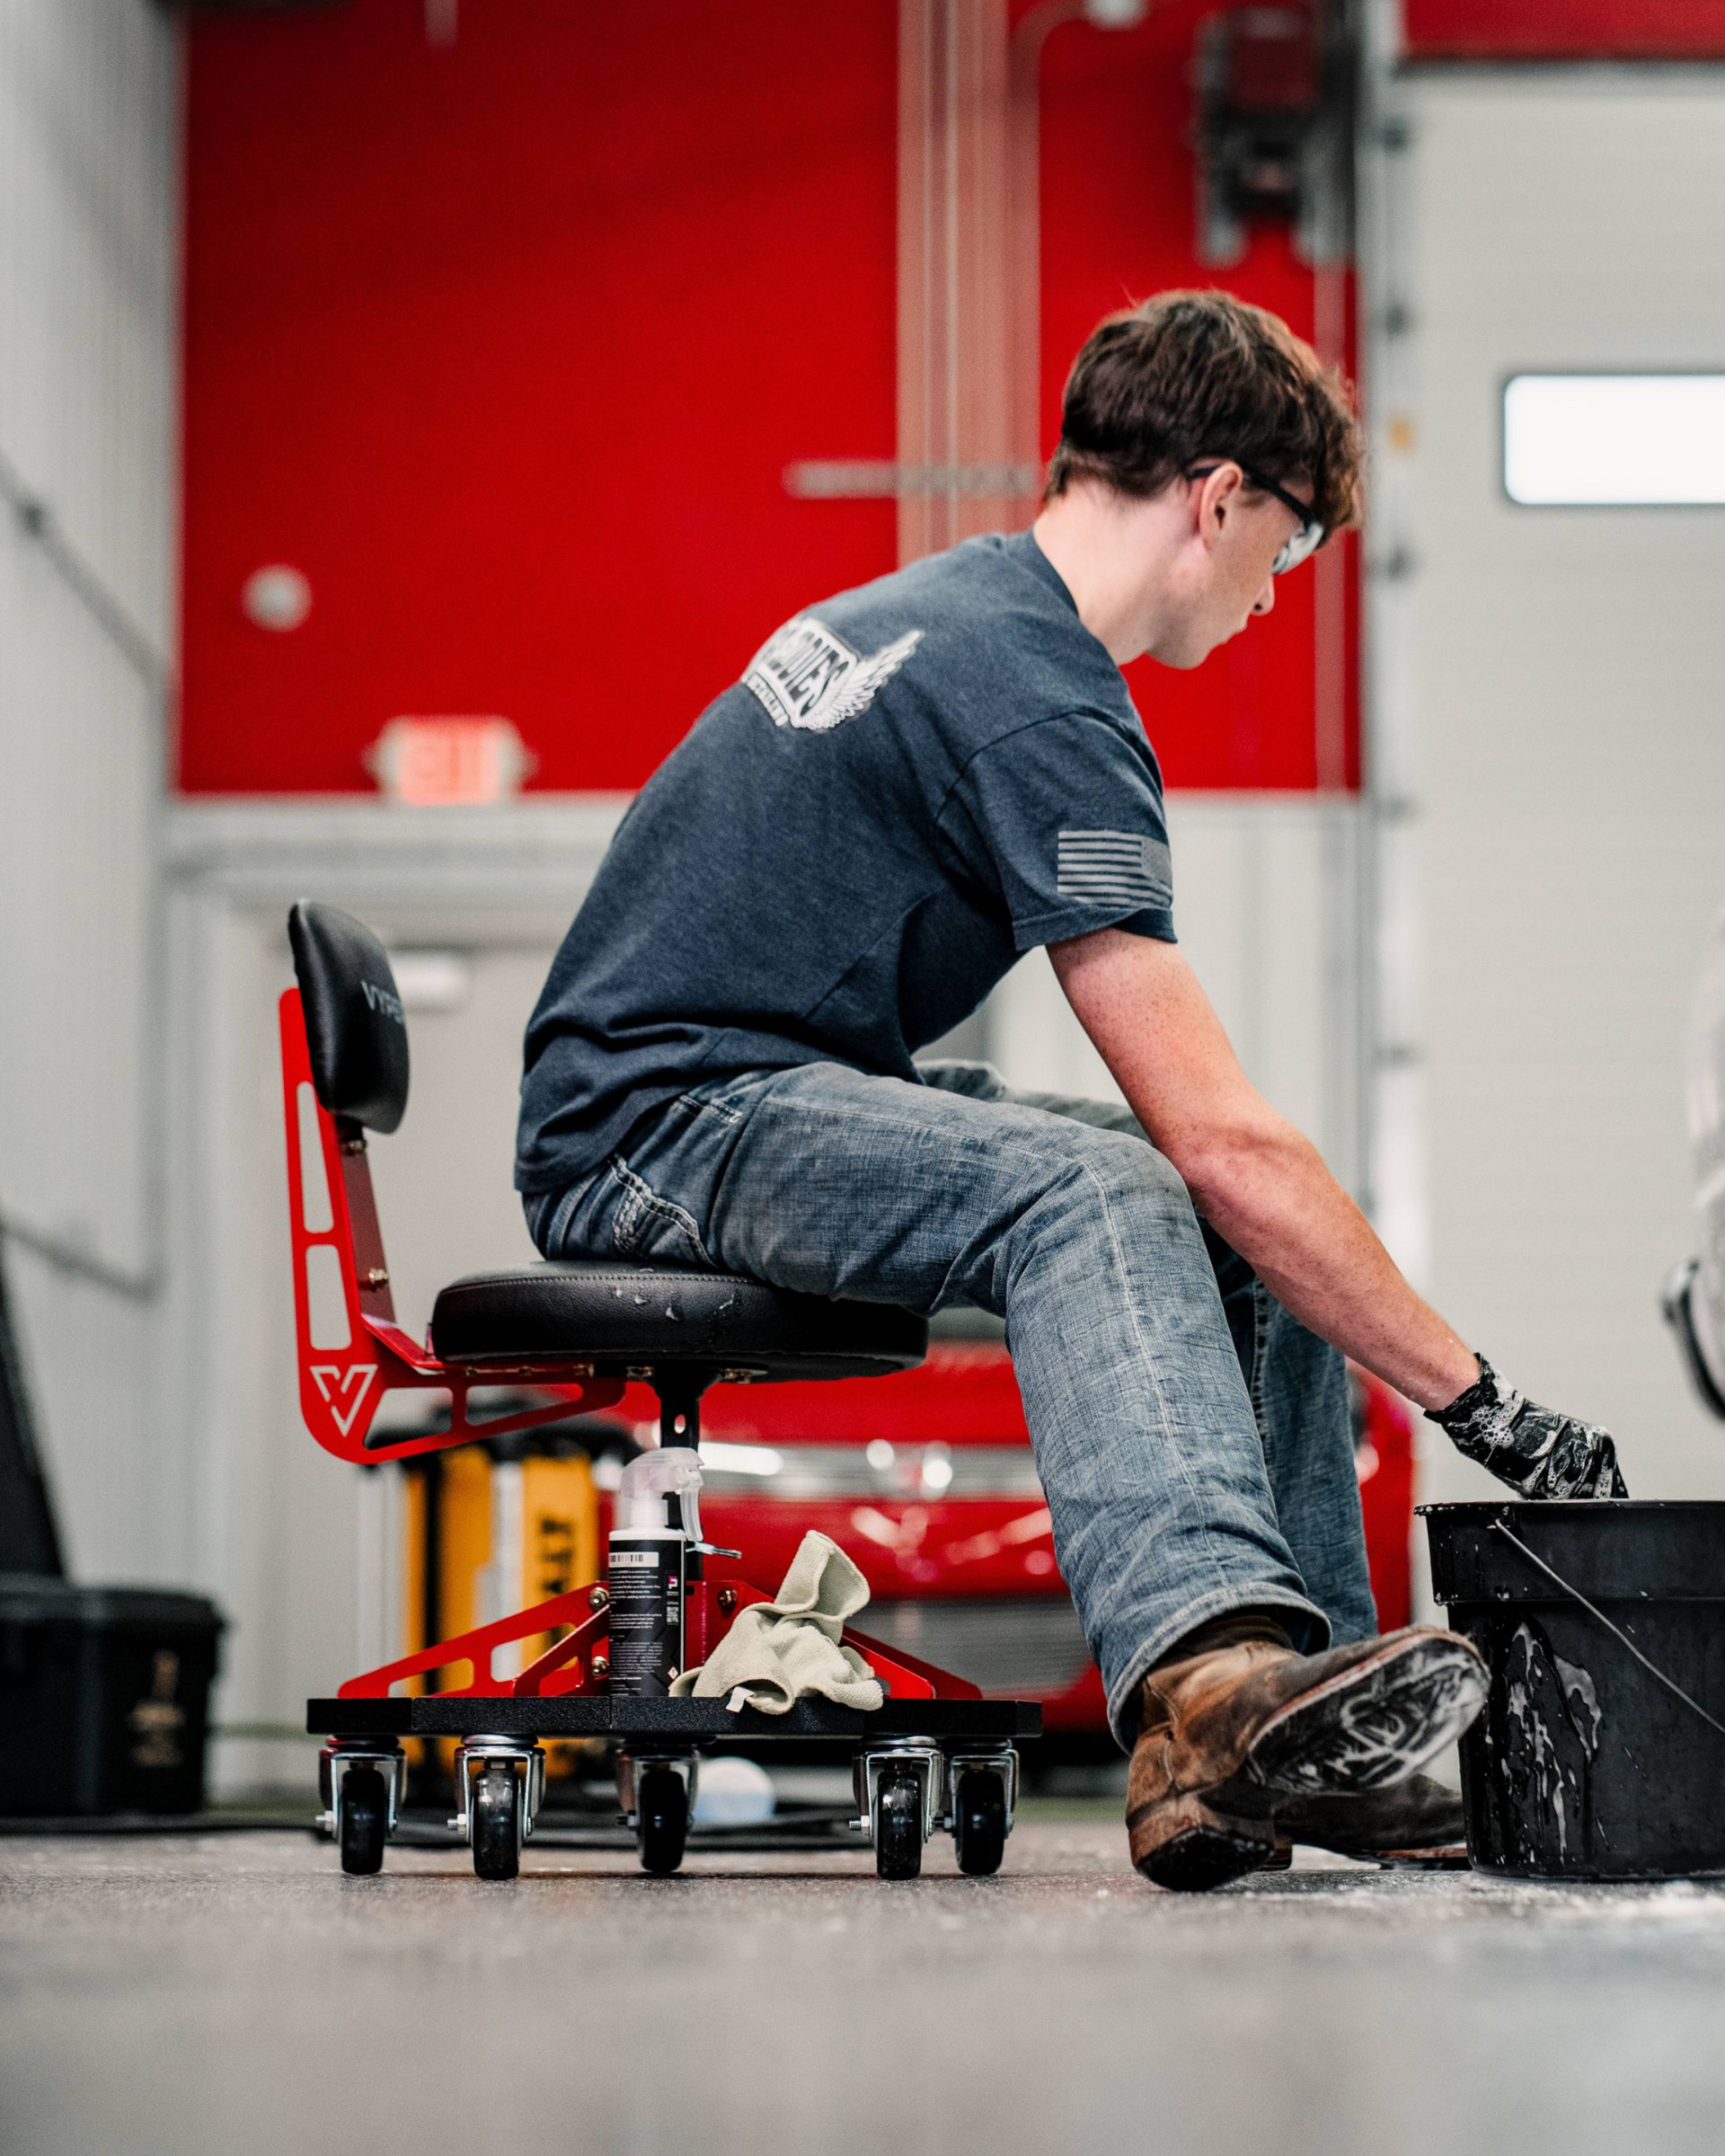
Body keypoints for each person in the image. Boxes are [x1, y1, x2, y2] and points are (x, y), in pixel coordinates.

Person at [516, 290, 1627, 1891]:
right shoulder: (1036, 692)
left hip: (750, 1084)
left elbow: (1237, 1187)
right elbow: (1221, 1140)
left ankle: (1304, 1746)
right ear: (1219, 498)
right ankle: (1208, 1690)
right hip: (652, 1130)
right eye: (1291, 553)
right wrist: (1484, 1402)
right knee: (1114, 1184)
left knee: (1219, 1215)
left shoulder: (965, 616)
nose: (1273, 597)